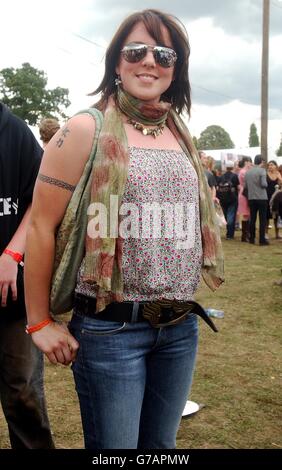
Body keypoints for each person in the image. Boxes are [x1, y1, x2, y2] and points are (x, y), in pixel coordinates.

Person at [24, 9, 224, 449]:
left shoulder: (179, 131)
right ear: (117, 62)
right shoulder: (82, 129)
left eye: (164, 54)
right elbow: (40, 226)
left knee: (161, 450)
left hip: (180, 327)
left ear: (177, 68)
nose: (150, 61)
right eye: (136, 50)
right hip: (111, 332)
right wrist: (39, 322)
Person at [0, 102, 54, 448]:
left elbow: (41, 199)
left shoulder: (14, 130)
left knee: (23, 392)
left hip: (12, 297)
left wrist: (12, 253)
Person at [244, 154, 268, 245]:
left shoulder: (248, 172)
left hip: (251, 197)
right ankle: (262, 240)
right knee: (262, 219)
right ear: (262, 161)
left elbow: (245, 186)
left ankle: (251, 239)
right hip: (262, 197)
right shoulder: (262, 171)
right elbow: (264, 184)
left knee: (252, 218)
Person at [217, 161, 240, 240]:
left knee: (226, 215)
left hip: (223, 199)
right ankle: (230, 234)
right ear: (233, 167)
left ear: (226, 167)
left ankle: (229, 232)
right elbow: (238, 187)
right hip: (232, 199)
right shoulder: (235, 176)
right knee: (231, 216)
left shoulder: (221, 177)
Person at [265, 160, 282, 239]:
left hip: (276, 198)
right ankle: (266, 233)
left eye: (272, 165)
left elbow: (281, 185)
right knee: (267, 216)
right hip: (267, 197)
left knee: (277, 215)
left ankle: (277, 233)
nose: (270, 166)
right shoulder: (265, 174)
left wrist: (280, 179)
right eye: (269, 165)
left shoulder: (278, 174)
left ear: (276, 166)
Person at [237, 156, 252, 242]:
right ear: (246, 162)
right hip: (244, 193)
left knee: (248, 214)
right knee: (246, 214)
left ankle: (247, 233)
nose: (250, 164)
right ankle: (245, 235)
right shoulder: (243, 172)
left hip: (245, 192)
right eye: (250, 162)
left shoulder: (245, 171)